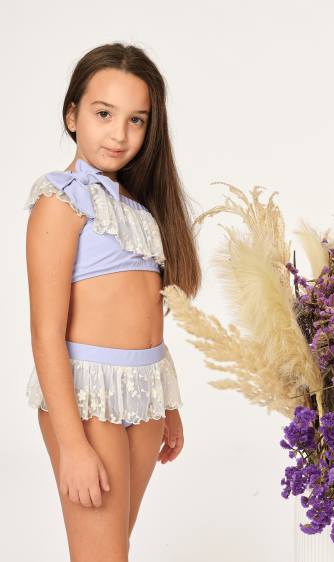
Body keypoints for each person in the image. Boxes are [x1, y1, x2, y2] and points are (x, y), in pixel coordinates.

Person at [24, 42, 202, 561]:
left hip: (145, 394)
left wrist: (167, 404)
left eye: (136, 120)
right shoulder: (61, 199)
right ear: (72, 115)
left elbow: (144, 314)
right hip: (89, 397)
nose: (119, 134)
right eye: (104, 114)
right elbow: (45, 333)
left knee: (112, 548)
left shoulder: (139, 208)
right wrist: (73, 444)